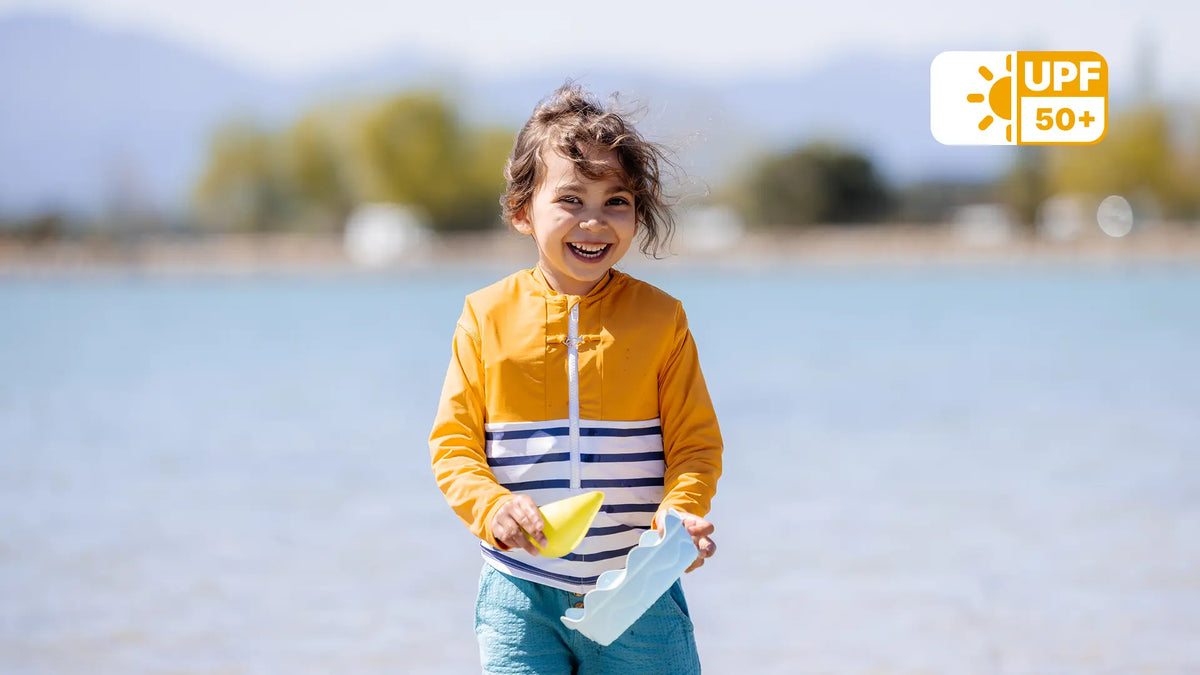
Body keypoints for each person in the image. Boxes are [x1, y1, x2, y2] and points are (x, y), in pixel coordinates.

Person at [429, 83, 723, 674]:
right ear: (521, 211)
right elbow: (454, 447)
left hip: (637, 587)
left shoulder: (661, 318)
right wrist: (491, 507)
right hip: (520, 593)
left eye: (616, 201)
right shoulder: (486, 315)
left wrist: (679, 513)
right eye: (570, 200)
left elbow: (694, 445)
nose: (595, 222)